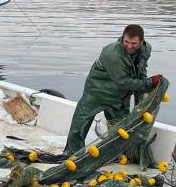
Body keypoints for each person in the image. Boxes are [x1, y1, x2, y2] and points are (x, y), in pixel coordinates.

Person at [64, 25, 161, 155]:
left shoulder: (146, 49)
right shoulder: (113, 54)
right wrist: (149, 83)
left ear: (141, 41)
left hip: (120, 96)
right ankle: (72, 154)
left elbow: (141, 68)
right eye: (126, 42)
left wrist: (144, 79)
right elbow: (124, 82)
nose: (129, 46)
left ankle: (116, 154)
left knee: (120, 126)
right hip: (97, 91)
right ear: (122, 38)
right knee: (81, 121)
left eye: (133, 43)